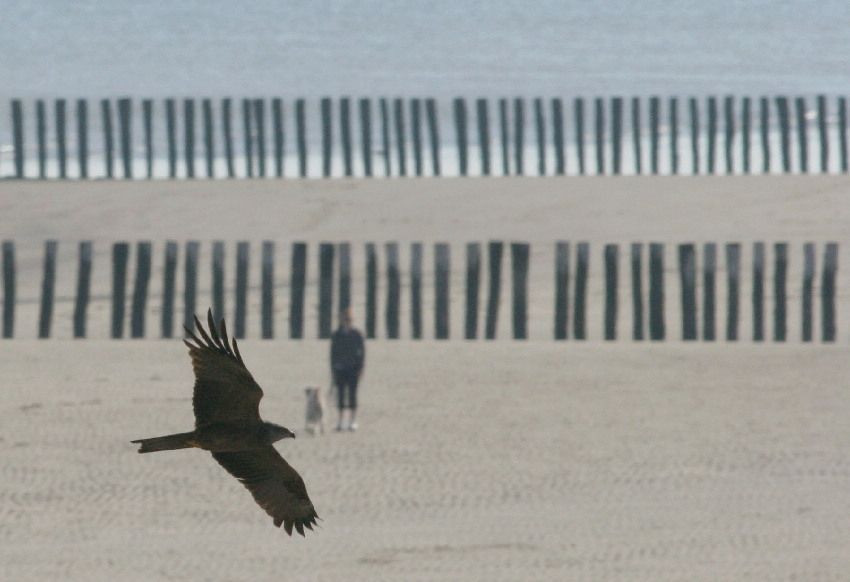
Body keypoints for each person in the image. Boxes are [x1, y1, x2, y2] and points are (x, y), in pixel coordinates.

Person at [330, 308, 365, 431]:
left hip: (353, 369)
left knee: (352, 395)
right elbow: (332, 354)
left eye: (349, 319)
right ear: (341, 320)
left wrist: (360, 368)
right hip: (340, 369)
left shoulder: (357, 335)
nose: (347, 322)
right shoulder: (336, 335)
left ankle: (352, 421)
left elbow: (362, 353)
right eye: (345, 319)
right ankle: (340, 421)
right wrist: (333, 370)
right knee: (340, 396)